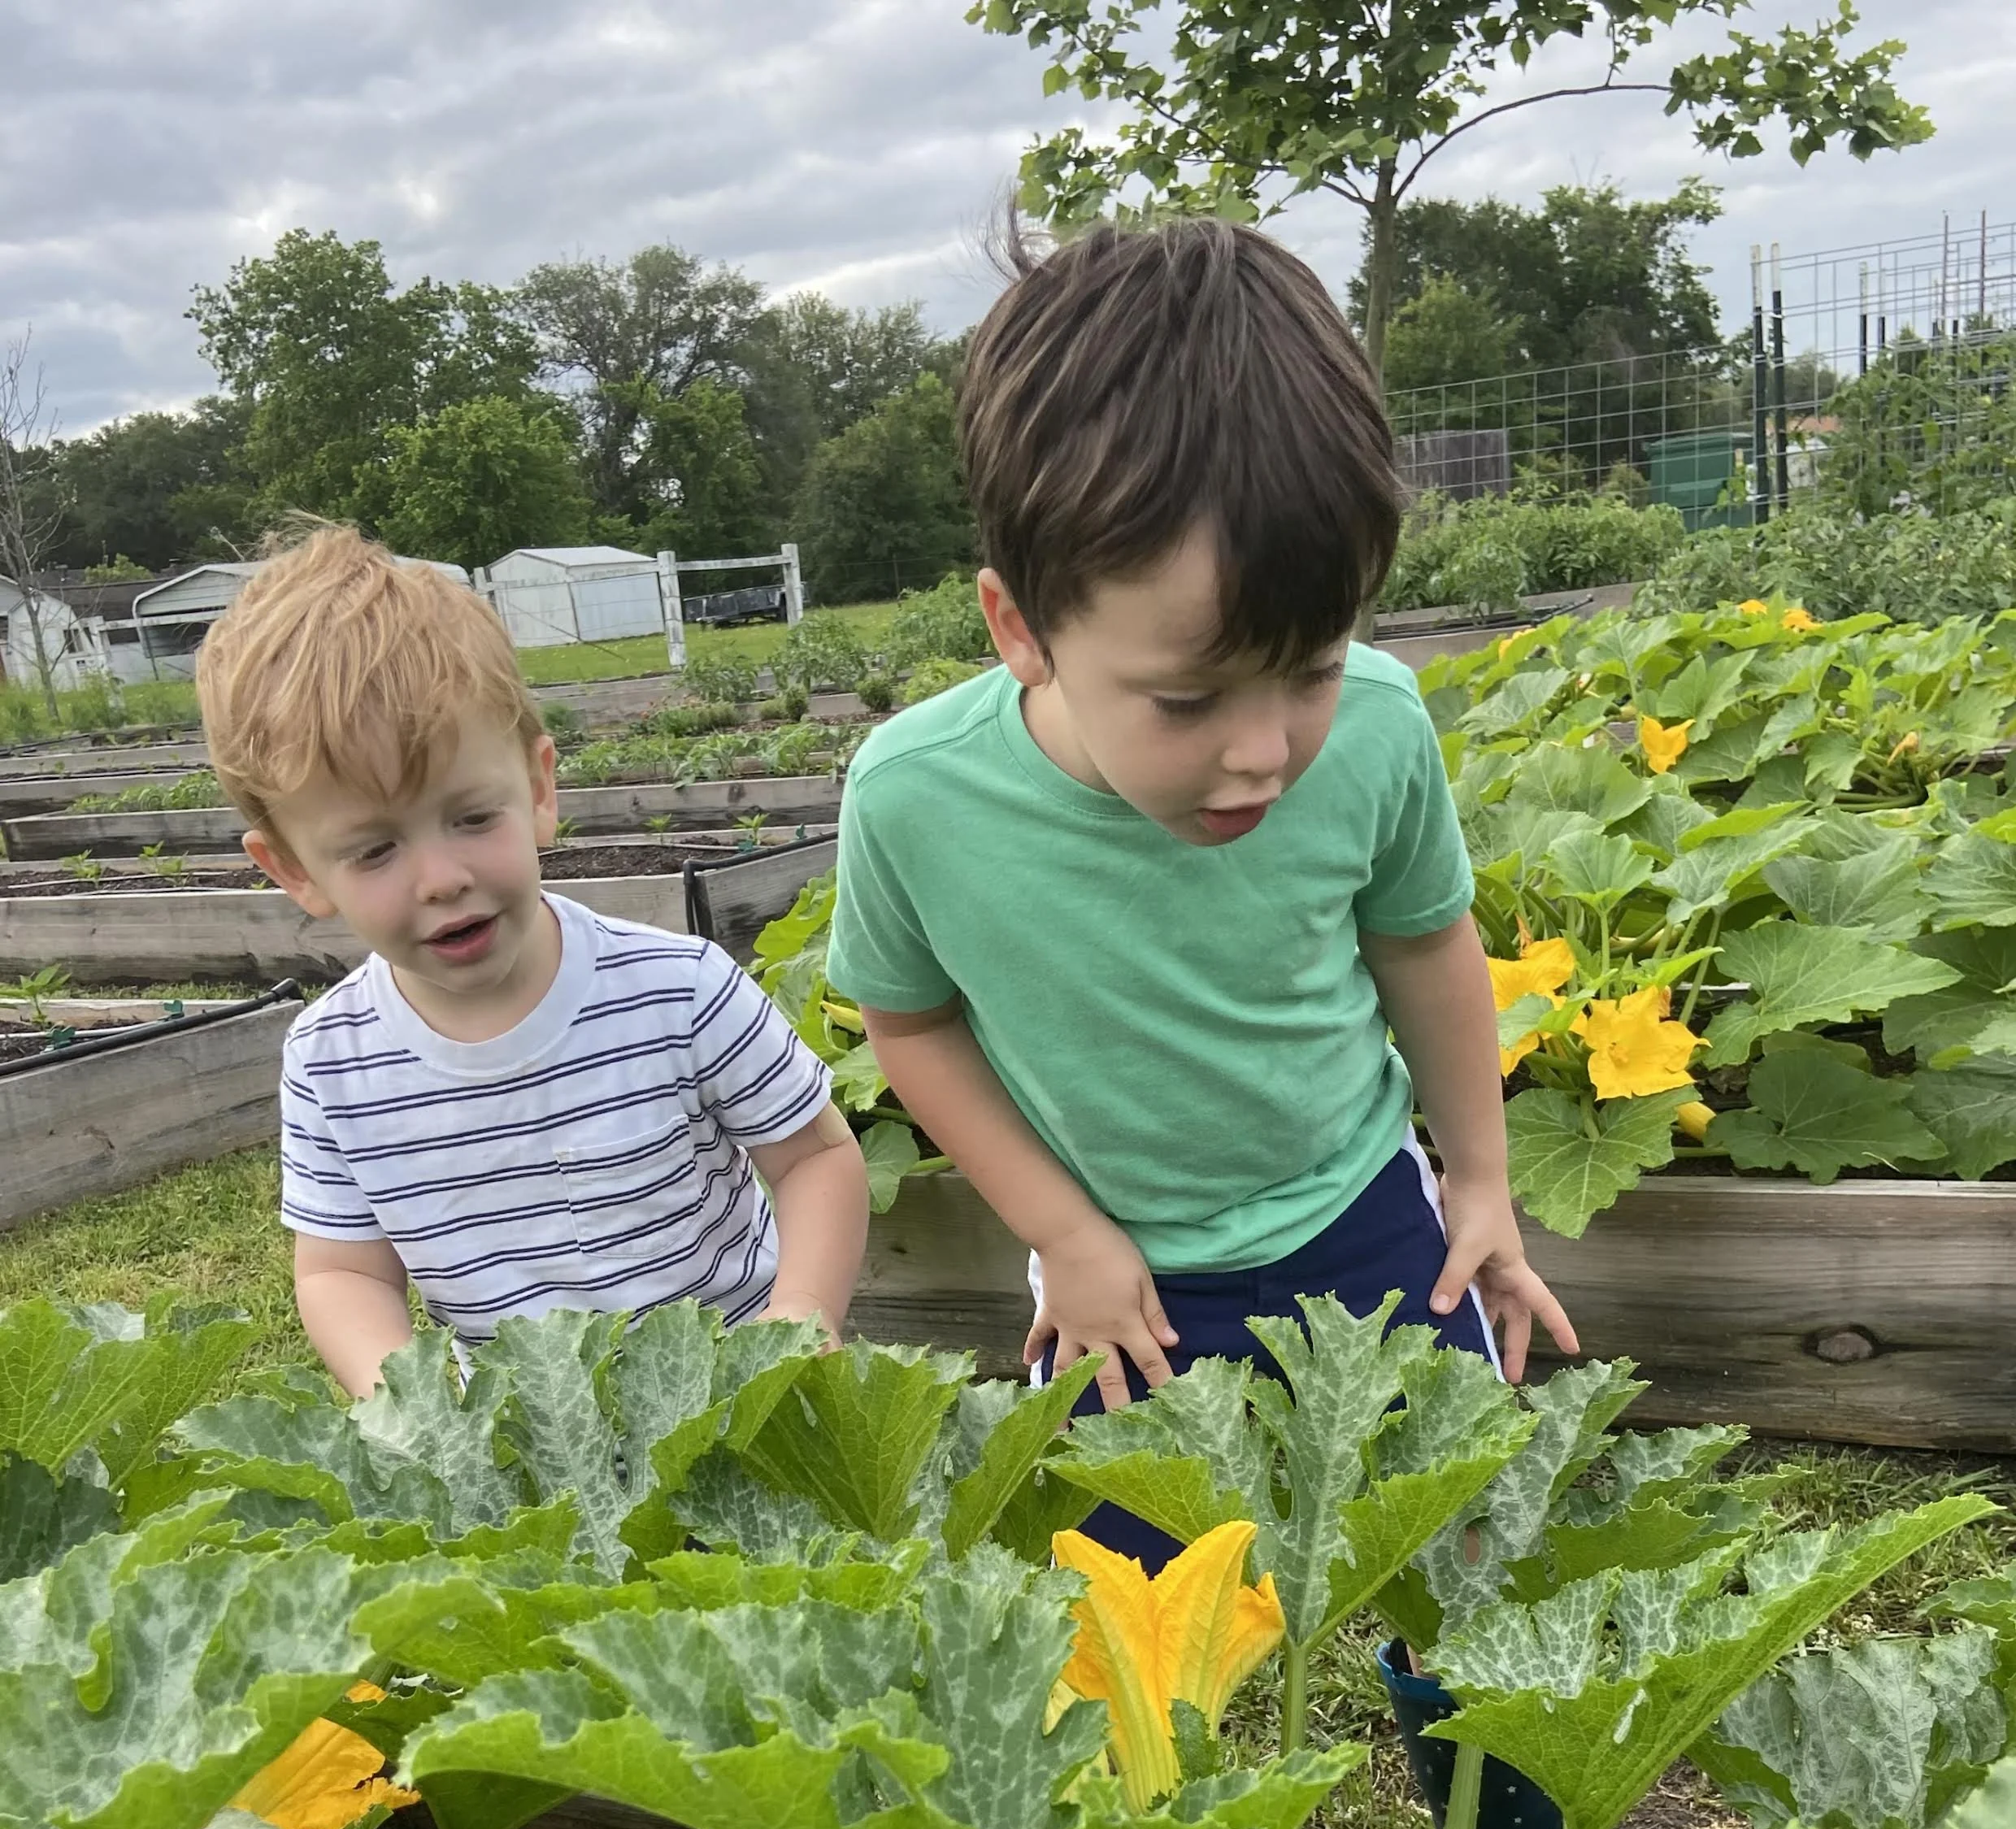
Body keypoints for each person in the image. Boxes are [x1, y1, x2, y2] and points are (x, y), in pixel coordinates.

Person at [828, 217, 1578, 1568]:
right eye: (1188, 696)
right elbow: (912, 1023)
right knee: (1142, 1637)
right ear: (1021, 632)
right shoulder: (912, 798)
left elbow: (1425, 945)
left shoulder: (1384, 731)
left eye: (1314, 665)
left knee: (1469, 1587)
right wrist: (1067, 1236)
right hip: (1126, 1283)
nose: (1266, 750)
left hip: (1365, 1213)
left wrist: (1481, 1181)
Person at [195, 525, 868, 1399]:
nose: (442, 878)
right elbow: (343, 1273)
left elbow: (815, 1159)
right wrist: (413, 1399)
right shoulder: (331, 1062)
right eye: (373, 851)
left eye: (473, 818)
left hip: (739, 1403)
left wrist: (803, 1313)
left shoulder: (680, 990)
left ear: (540, 788)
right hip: (525, 1440)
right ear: (294, 870)